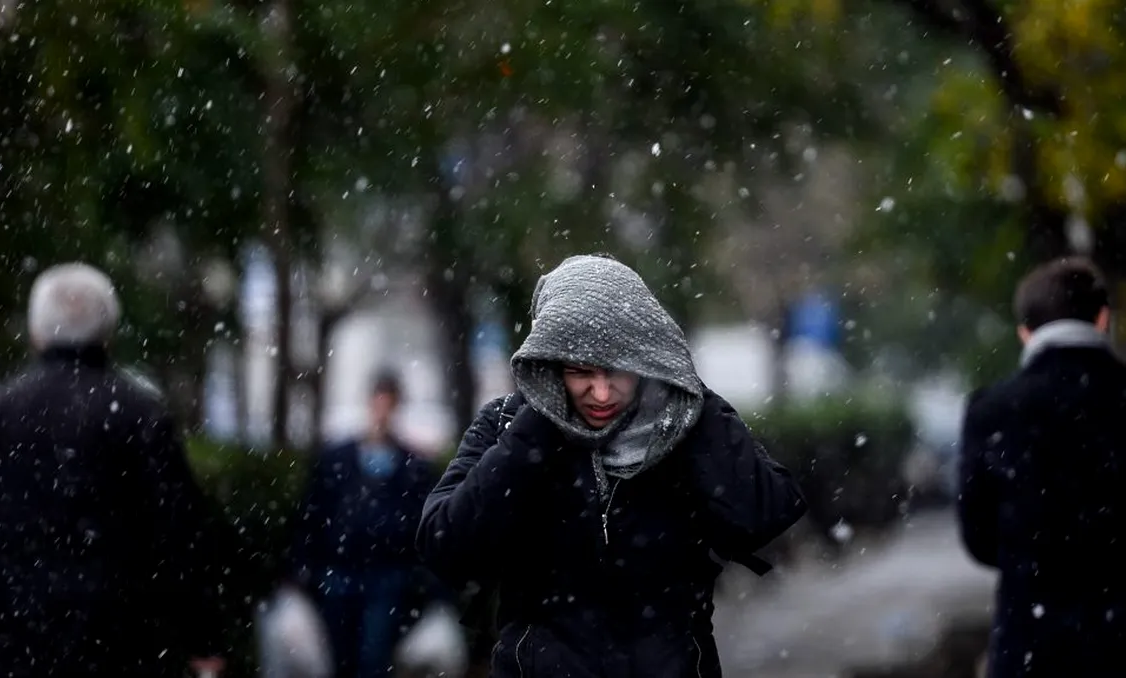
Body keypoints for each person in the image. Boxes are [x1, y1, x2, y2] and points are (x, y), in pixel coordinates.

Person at [416, 254, 807, 678]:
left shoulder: (685, 425)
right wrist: (537, 427)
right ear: (550, 363)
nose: (601, 394)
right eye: (580, 372)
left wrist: (688, 393)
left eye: (618, 372)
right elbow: (445, 545)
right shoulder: (507, 425)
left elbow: (764, 515)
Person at [0, 262, 225, 678]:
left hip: (20, 641)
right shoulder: (140, 415)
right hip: (123, 646)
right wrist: (202, 638)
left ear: (36, 332)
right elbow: (181, 533)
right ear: (109, 333)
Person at [957, 256, 1126, 678]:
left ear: (1025, 333)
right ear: (1103, 318)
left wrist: (1032, 558)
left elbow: (978, 538)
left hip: (1031, 645)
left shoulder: (993, 410)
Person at [290, 370, 443, 678]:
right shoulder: (339, 458)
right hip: (342, 572)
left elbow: (421, 523)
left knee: (372, 658)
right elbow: (313, 514)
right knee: (341, 656)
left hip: (384, 574)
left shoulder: (410, 465)